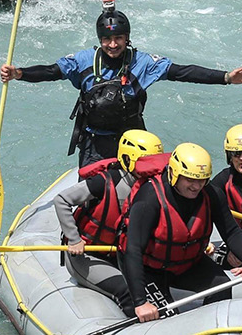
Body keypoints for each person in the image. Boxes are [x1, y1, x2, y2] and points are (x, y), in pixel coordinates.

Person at [0, 1, 242, 166]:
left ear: (127, 38)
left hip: (135, 141)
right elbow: (52, 71)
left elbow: (183, 72)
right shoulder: (84, 60)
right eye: (107, 40)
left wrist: (226, 78)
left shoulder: (143, 62)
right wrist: (19, 73)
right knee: (94, 196)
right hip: (94, 142)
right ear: (100, 40)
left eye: (119, 39)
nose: (113, 45)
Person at [118, 144, 242, 322]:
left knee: (222, 287)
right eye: (190, 179)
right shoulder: (149, 198)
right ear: (174, 174)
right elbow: (133, 249)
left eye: (202, 179)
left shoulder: (211, 193)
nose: (196, 186)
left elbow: (231, 231)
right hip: (149, 269)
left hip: (186, 264)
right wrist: (140, 302)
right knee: (166, 318)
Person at [53, 130, 165, 311]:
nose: (152, 169)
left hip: (125, 255)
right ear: (128, 160)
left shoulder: (154, 186)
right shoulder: (103, 182)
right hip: (90, 255)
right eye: (146, 162)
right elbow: (61, 200)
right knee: (128, 291)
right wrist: (74, 239)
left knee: (157, 288)